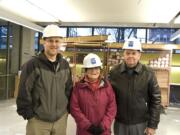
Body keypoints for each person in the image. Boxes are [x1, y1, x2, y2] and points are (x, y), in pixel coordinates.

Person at [16, 24, 73, 135]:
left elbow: (68, 89)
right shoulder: (32, 65)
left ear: (61, 42)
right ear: (44, 42)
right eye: (50, 41)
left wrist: (67, 109)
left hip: (60, 119)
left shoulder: (65, 65)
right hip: (38, 121)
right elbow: (24, 90)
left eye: (57, 41)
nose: (54, 44)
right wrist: (29, 114)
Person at [109, 38, 161, 135]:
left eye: (134, 53)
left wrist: (152, 125)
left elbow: (156, 100)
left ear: (139, 55)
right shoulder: (114, 72)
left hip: (141, 123)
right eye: (128, 53)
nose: (130, 56)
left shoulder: (148, 73)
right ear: (123, 54)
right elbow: (108, 97)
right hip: (120, 123)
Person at [70, 53, 117, 135]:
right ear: (86, 70)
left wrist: (103, 125)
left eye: (96, 68)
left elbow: (112, 108)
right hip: (85, 131)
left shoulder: (107, 87)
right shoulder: (78, 88)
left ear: (100, 69)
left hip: (103, 131)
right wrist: (88, 126)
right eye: (90, 68)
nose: (94, 71)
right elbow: (75, 109)